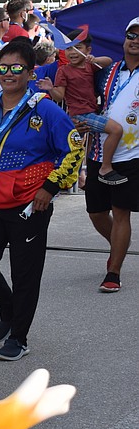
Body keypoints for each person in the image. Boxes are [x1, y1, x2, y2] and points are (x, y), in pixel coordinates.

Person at [0, 39, 82, 361]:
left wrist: (50, 187)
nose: (8, 74)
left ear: (31, 73)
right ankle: (9, 308)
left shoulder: (44, 109)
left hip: (29, 206)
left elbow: (73, 149)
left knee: (25, 275)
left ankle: (19, 338)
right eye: (3, 68)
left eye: (17, 68)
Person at [81, 18, 139, 293]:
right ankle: (119, 244)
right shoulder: (107, 70)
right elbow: (85, 97)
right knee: (96, 213)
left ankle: (113, 271)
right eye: (131, 35)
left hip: (131, 155)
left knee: (121, 212)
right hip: (98, 151)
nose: (135, 40)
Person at [36, 31, 122, 185]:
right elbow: (59, 97)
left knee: (81, 149)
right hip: (81, 115)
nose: (73, 52)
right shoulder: (63, 70)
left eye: (78, 47)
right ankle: (105, 168)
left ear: (88, 50)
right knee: (116, 130)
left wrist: (95, 59)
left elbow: (108, 61)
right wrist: (50, 88)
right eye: (69, 48)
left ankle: (83, 177)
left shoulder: (90, 65)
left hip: (92, 112)